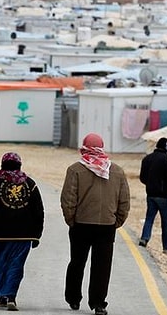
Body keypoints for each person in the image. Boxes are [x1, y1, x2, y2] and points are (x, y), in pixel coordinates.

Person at [60, 133, 130, 315]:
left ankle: (73, 299)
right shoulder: (116, 171)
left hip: (81, 224)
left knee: (77, 262)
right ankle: (98, 303)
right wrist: (116, 221)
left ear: (84, 148)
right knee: (102, 266)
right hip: (106, 226)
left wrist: (71, 220)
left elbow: (68, 199)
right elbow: (124, 202)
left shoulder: (75, 170)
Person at [0, 152, 44, 312]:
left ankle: (0, 291)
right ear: (19, 165)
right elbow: (39, 210)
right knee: (15, 265)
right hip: (23, 234)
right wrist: (37, 234)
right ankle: (10, 296)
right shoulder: (30, 184)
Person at [138, 137, 167, 254]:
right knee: (165, 222)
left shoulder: (147, 159)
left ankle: (144, 238)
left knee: (149, 218)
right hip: (164, 196)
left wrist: (150, 185)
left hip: (150, 194)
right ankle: (166, 247)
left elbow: (142, 178)